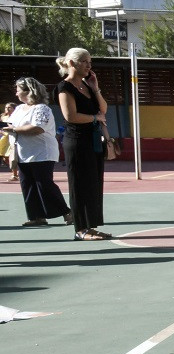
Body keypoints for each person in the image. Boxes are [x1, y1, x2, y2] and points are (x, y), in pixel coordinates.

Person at [55, 48, 112, 242]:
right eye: (84, 61)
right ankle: (80, 229)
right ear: (71, 63)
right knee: (79, 184)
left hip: (93, 140)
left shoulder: (88, 86)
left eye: (90, 61)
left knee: (93, 184)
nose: (89, 65)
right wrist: (95, 117)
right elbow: (70, 116)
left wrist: (95, 88)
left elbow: (103, 108)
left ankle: (91, 226)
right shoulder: (65, 88)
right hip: (77, 141)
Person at [8, 78, 71, 227]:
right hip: (23, 152)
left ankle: (67, 212)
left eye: (18, 90)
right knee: (27, 184)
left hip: (42, 152)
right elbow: (10, 123)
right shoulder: (18, 109)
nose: (16, 93)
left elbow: (37, 128)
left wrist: (14, 129)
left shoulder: (42, 109)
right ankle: (36, 216)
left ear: (28, 91)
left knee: (44, 184)